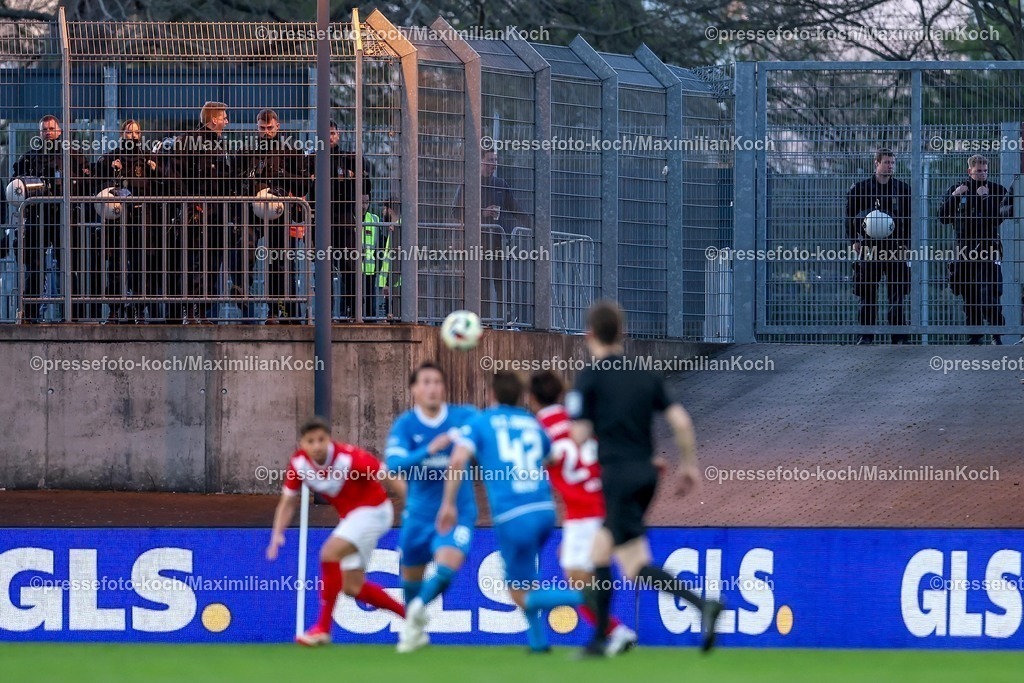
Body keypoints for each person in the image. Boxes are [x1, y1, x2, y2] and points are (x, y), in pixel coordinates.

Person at [567, 301, 723, 657]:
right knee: (625, 559)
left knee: (613, 559)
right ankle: (702, 606)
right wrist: (688, 466)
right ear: (622, 334)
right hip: (647, 474)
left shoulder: (589, 376)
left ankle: (600, 641)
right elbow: (681, 422)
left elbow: (578, 434)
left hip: (617, 475)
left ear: (590, 335)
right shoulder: (645, 374)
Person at [437, 370, 584, 654]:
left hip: (512, 515)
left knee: (517, 592)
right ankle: (538, 643)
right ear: (521, 396)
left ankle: (584, 597)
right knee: (527, 581)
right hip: (544, 510)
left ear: (491, 395)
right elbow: (552, 456)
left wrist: (448, 504)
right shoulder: (531, 421)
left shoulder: (481, 421)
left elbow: (457, 460)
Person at [266, 416, 406, 646]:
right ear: (302, 444)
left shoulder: (348, 458)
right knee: (353, 587)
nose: (317, 445)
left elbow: (389, 476)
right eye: (310, 441)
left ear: (329, 439)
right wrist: (277, 534)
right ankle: (410, 618)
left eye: (321, 439)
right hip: (351, 518)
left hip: (375, 511)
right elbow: (288, 501)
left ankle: (322, 628)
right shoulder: (299, 464)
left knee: (329, 553)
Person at [528, 370, 639, 656]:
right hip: (603, 504)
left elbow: (536, 465)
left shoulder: (538, 429)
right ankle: (612, 632)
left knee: (578, 578)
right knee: (587, 572)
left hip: (582, 513)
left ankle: (613, 632)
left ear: (532, 398)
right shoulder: (577, 421)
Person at [384, 361, 478, 653]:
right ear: (414, 389)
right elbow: (393, 465)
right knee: (410, 579)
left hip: (456, 512)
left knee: (447, 567)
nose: (432, 388)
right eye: (425, 382)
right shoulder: (406, 425)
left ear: (444, 388)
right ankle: (415, 627)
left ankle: (415, 613)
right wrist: (429, 449)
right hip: (419, 514)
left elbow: (483, 443)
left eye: (437, 382)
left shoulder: (465, 417)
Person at [12, 114, 93, 322]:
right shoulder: (30, 157)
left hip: (65, 218)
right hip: (38, 218)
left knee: (69, 265)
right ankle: (30, 314)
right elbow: (15, 183)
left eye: (51, 129)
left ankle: (73, 314)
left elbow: (88, 182)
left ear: (60, 131)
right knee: (35, 266)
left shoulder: (73, 156)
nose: (48, 133)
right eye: (45, 129)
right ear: (40, 133)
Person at [233, 108, 308, 323]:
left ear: (278, 126)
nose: (266, 132)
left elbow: (304, 183)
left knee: (281, 263)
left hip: (281, 213)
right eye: (261, 128)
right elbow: (234, 180)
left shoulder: (290, 150)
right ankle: (242, 290)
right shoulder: (248, 150)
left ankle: (280, 313)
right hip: (253, 211)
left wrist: (280, 178)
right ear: (256, 127)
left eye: (269, 128)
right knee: (245, 245)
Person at [937, 154, 1011, 345]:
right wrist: (954, 198)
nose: (982, 174)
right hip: (964, 248)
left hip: (988, 247)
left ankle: (996, 334)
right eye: (978, 171)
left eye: (985, 171)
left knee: (989, 293)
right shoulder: (958, 189)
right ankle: (975, 336)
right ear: (969, 170)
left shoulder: (995, 190)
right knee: (969, 293)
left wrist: (985, 199)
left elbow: (999, 218)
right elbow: (943, 217)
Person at [92, 119, 160, 323]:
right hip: (117, 218)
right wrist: (111, 171)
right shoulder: (111, 157)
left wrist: (154, 170)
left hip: (141, 216)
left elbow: (158, 186)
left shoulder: (147, 157)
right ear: (123, 135)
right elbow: (97, 182)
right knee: (116, 263)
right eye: (129, 133)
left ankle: (140, 308)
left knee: (141, 263)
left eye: (137, 133)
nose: (133, 136)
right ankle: (114, 310)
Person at [174, 101, 234, 323]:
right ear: (214, 119)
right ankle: (190, 311)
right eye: (224, 117)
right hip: (196, 211)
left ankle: (204, 311)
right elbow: (177, 173)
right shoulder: (190, 141)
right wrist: (190, 200)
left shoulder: (220, 144)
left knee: (211, 262)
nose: (227, 121)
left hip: (215, 211)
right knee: (195, 261)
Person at [845, 148, 912, 345]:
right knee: (867, 293)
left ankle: (899, 337)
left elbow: (909, 220)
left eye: (892, 162)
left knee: (897, 294)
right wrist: (854, 241)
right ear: (876, 163)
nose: (890, 166)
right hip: (869, 248)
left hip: (895, 248)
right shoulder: (861, 188)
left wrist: (906, 245)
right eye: (886, 162)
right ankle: (866, 336)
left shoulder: (902, 189)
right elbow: (849, 217)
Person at [307, 120, 373, 319]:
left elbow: (366, 186)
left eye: (333, 133)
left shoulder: (348, 158)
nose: (330, 137)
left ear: (338, 134)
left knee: (349, 267)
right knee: (323, 269)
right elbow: (305, 186)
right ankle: (325, 313)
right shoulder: (312, 158)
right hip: (319, 220)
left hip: (343, 218)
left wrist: (354, 177)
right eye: (325, 133)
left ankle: (353, 311)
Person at [452, 150, 524, 324]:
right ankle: (481, 322)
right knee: (481, 285)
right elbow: (456, 211)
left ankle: (506, 321)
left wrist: (534, 227)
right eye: (490, 160)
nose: (494, 163)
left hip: (499, 244)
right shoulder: (469, 184)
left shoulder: (500, 184)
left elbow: (515, 209)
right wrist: (482, 213)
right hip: (477, 245)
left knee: (503, 283)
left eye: (496, 159)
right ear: (480, 161)